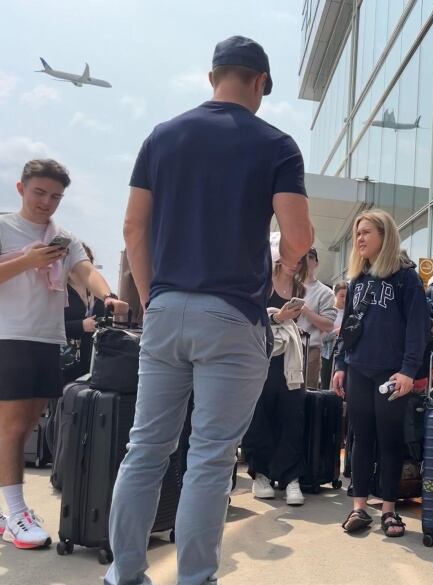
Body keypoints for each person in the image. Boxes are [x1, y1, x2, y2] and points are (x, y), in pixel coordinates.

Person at [105, 36, 314, 585]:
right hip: (231, 315)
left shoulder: (163, 136)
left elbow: (133, 227)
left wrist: (153, 298)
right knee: (211, 459)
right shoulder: (276, 145)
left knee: (145, 449)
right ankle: (193, 579)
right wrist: (287, 264)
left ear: (212, 76)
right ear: (260, 83)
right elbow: (297, 236)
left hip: (167, 308)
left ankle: (124, 574)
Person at [0, 159, 128, 550]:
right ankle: (15, 512)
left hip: (46, 339)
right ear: (21, 189)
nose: (47, 202)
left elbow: (85, 270)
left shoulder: (64, 237)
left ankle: (10, 511)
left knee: (25, 424)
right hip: (10, 336)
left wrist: (107, 294)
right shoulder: (4, 227)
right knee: (14, 428)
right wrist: (27, 261)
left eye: (55, 196)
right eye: (39, 192)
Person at [332, 209, 428, 538]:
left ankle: (389, 510)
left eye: (365, 233)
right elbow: (347, 329)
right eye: (357, 233)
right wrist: (341, 365)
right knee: (360, 440)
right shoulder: (358, 280)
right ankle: (359, 506)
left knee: (389, 441)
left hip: (391, 375)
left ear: (384, 237)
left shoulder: (406, 278)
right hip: (358, 370)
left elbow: (417, 331)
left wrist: (407, 371)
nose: (358, 239)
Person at [243, 256, 308, 505]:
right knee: (259, 414)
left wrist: (289, 323)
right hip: (260, 356)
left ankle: (291, 476)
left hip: (289, 358)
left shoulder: (299, 288)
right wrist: (277, 318)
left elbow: (292, 322)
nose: (295, 262)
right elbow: (251, 318)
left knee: (292, 414)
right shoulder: (263, 282)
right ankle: (260, 473)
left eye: (300, 258)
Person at [63, 244, 105, 383]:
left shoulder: (101, 294)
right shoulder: (58, 292)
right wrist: (80, 325)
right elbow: (46, 327)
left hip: (95, 361)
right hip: (64, 363)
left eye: (86, 261)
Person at [297, 248, 337, 388]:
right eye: (303, 256)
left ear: (316, 262)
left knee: (306, 396)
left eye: (311, 256)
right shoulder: (287, 284)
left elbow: (328, 325)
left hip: (310, 351)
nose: (306, 259)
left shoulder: (325, 292)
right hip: (284, 347)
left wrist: (307, 311)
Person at [320, 281, 347, 390]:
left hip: (344, 352)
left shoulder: (349, 312)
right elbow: (322, 337)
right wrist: (336, 332)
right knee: (326, 384)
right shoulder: (329, 312)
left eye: (347, 296)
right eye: (342, 296)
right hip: (328, 354)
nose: (344, 299)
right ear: (335, 295)